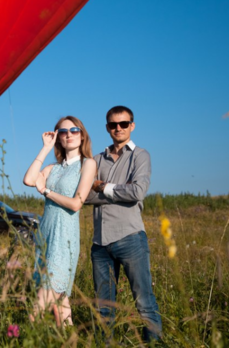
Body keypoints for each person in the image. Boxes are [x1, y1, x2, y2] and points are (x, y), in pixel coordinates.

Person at [85, 106, 162, 342]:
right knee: (103, 307)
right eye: (113, 125)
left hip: (130, 238)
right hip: (100, 244)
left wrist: (102, 186)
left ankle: (155, 345)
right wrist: (118, 190)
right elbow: (85, 196)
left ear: (132, 126)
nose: (118, 128)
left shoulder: (140, 155)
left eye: (124, 124)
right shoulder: (96, 159)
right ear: (107, 128)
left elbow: (137, 192)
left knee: (144, 302)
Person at [23, 115, 96, 326]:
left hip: (65, 237)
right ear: (58, 138)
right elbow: (28, 179)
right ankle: (69, 339)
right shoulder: (53, 168)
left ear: (81, 136)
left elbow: (76, 203)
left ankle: (23, 337)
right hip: (46, 234)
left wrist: (46, 191)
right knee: (61, 300)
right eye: (63, 132)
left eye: (74, 131)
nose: (69, 135)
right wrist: (46, 147)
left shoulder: (87, 163)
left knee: (44, 298)